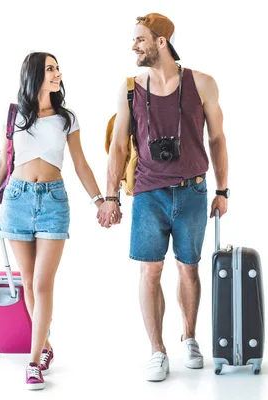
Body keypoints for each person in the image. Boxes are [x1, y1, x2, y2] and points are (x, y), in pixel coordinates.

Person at [98, 13, 230, 382]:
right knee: (149, 270)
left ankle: (189, 338)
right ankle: (157, 350)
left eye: (140, 39)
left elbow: (217, 139)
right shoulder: (130, 89)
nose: (134, 46)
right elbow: (118, 148)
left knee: (188, 267)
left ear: (161, 41)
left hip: (193, 190)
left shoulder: (202, 83)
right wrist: (111, 197)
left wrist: (221, 190)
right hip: (147, 193)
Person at [0, 52, 106, 390]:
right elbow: (2, 164)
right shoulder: (15, 115)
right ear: (35, 74)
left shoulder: (67, 118)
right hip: (17, 202)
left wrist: (100, 200)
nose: (57, 73)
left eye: (58, 68)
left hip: (53, 200)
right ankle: (45, 346)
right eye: (50, 68)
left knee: (42, 284)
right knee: (29, 282)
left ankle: (33, 362)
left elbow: (80, 163)